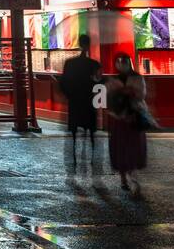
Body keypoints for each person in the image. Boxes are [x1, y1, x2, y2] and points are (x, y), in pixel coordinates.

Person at [105, 53, 152, 193]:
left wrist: (127, 92)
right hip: (119, 117)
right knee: (121, 147)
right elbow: (109, 97)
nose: (121, 64)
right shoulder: (112, 79)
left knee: (132, 148)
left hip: (134, 117)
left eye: (124, 61)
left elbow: (141, 95)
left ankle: (132, 176)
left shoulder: (137, 77)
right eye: (119, 62)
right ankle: (123, 178)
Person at [57, 35, 102, 174]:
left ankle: (75, 159)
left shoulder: (70, 63)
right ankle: (93, 159)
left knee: (75, 133)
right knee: (91, 132)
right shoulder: (94, 64)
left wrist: (69, 95)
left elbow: (63, 82)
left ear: (79, 44)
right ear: (89, 45)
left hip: (75, 101)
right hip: (89, 101)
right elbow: (99, 84)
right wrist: (99, 102)